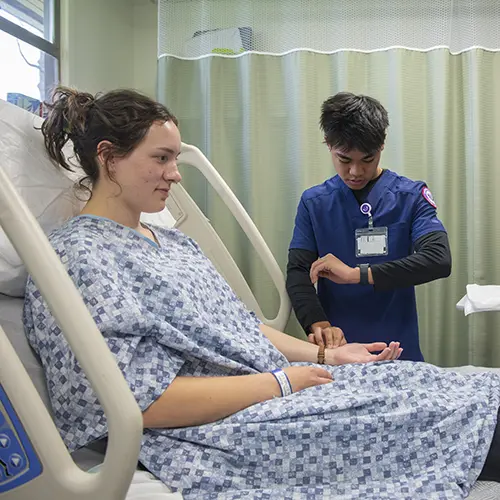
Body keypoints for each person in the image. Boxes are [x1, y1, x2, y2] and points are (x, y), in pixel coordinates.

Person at [23, 87, 499, 499]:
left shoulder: (173, 242)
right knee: (426, 411)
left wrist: (325, 357)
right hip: (240, 412)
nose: (176, 173)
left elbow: (238, 329)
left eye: (174, 158)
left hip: (278, 381)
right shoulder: (78, 257)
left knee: (444, 386)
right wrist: (287, 378)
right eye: (162, 158)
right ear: (108, 157)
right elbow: (133, 402)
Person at [286, 92, 452, 362]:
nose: (355, 172)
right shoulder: (313, 203)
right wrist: (318, 324)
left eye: (367, 159)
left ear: (381, 146)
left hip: (399, 350)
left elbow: (438, 259)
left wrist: (356, 274)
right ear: (328, 144)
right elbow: (298, 273)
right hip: (339, 352)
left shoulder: (410, 196)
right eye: (344, 159)